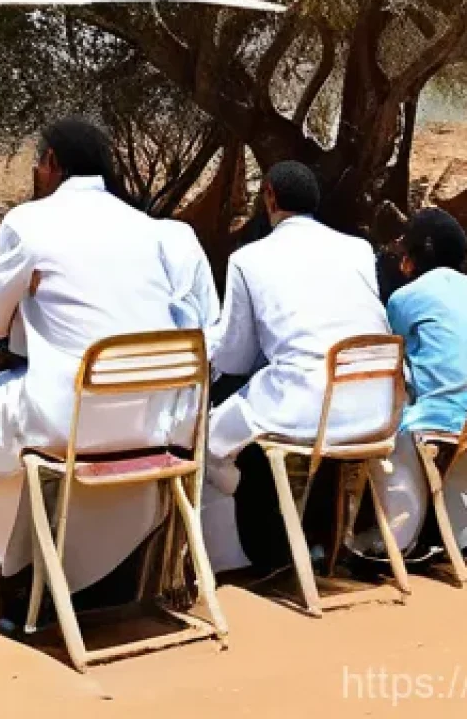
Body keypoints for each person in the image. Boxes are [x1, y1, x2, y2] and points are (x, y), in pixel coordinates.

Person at [0, 118, 204, 629]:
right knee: (32, 409)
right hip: (156, 419)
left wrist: (20, 295)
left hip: (74, 418)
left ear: (50, 164)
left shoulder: (30, 223)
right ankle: (94, 570)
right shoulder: (149, 228)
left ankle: (22, 568)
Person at [200, 162, 391, 573]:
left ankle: (244, 559)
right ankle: (316, 538)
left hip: (307, 403)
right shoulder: (358, 249)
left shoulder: (247, 259)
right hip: (376, 402)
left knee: (210, 443)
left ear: (269, 195)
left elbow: (233, 355)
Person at [354, 209, 467, 560]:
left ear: (422, 251)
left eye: (406, 249)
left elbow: (392, 349)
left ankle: (395, 539)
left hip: (435, 421)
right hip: (463, 424)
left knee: (386, 429)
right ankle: (455, 537)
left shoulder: (405, 298)